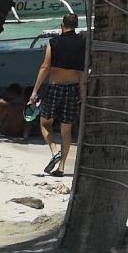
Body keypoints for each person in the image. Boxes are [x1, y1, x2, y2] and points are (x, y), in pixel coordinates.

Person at [28, 12, 86, 176]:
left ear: (62, 25)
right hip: (72, 89)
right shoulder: (83, 44)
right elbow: (83, 74)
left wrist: (34, 91)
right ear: (76, 26)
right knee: (66, 130)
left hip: (55, 87)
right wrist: (82, 94)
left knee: (45, 123)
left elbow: (45, 67)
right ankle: (61, 167)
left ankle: (54, 151)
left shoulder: (53, 42)